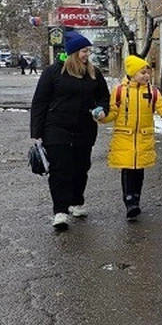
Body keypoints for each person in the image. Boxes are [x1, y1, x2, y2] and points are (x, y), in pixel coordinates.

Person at [30, 31, 110, 230]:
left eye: (88, 51)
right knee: (60, 170)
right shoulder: (53, 72)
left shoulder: (93, 73)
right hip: (56, 128)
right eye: (84, 51)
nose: (87, 55)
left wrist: (102, 109)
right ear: (74, 52)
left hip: (84, 128)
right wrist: (37, 131)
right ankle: (60, 211)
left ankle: (76, 202)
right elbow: (39, 102)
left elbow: (103, 97)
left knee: (81, 168)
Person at [100, 55, 162, 220]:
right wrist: (100, 117)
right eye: (142, 73)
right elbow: (112, 113)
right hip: (124, 138)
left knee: (139, 171)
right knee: (127, 170)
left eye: (147, 73)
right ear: (132, 73)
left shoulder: (152, 92)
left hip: (143, 138)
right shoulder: (119, 91)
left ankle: (136, 199)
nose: (146, 76)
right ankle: (129, 201)